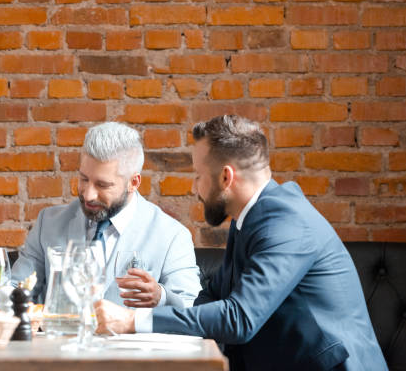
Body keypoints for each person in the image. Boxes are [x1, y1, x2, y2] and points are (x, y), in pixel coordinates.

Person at [95, 115, 387, 371]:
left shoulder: (287, 223)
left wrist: (133, 321)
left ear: (225, 177)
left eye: (198, 176)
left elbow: (239, 318)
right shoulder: (248, 218)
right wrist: (162, 301)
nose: (194, 187)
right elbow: (212, 296)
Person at [12, 122, 201, 309]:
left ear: (133, 183)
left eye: (102, 185)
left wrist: (161, 297)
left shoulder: (172, 236)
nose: (88, 195)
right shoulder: (48, 223)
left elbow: (190, 308)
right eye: (84, 179)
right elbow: (16, 289)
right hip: (61, 336)